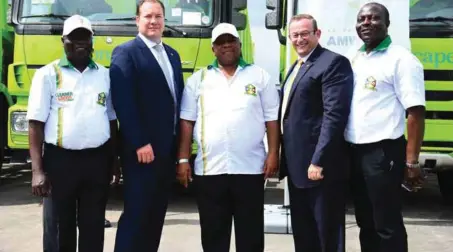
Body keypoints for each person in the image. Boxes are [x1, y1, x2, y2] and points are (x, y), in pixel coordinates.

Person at [177, 23, 280, 252]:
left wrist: (273, 153)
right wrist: (183, 159)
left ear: (239, 44)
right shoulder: (199, 79)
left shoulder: (259, 76)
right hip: (210, 170)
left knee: (250, 236)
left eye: (231, 41)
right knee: (214, 236)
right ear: (213, 49)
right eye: (221, 43)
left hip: (250, 169)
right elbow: (187, 121)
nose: (227, 46)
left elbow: (272, 119)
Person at [27, 14, 119, 252]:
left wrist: (113, 160)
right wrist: (37, 170)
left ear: (92, 41)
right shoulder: (47, 75)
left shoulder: (104, 74)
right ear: (63, 41)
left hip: (96, 161)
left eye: (85, 38)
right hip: (60, 162)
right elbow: (35, 124)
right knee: (59, 227)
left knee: (93, 226)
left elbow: (111, 119)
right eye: (74, 38)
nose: (80, 43)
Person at [345, 3, 425, 252]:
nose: (366, 23)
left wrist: (411, 161)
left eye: (373, 18)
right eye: (362, 19)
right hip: (355, 153)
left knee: (386, 223)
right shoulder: (355, 57)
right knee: (365, 221)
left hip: (383, 153)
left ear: (387, 24)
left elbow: (415, 112)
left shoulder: (401, 59)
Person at [109, 0, 184, 251]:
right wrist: (139, 141)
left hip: (166, 150)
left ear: (165, 20)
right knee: (137, 214)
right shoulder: (126, 52)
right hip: (142, 152)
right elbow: (123, 102)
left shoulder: (172, 54)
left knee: (156, 215)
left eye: (158, 16)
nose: (153, 21)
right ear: (137, 20)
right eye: (148, 16)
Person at [279, 14, 354, 252]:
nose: (299, 39)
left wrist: (319, 160)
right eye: (295, 35)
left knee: (326, 234)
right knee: (304, 233)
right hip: (297, 167)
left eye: (304, 34)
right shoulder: (297, 66)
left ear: (317, 34)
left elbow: (334, 116)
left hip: (319, 168)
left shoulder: (332, 63)